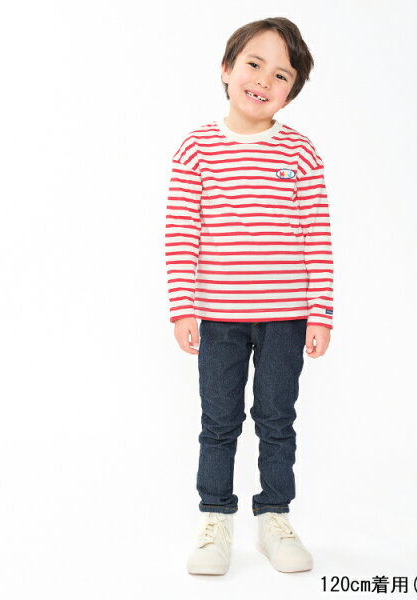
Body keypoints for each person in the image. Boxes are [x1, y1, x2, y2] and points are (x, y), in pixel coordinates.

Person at [165, 16, 334, 575]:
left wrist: (321, 313)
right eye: (254, 64)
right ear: (226, 69)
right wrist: (183, 307)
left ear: (292, 89)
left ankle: (274, 518)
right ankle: (215, 520)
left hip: (287, 317)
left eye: (281, 74)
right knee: (219, 422)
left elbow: (317, 235)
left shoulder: (301, 153)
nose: (264, 80)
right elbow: (181, 232)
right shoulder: (197, 149)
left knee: (277, 420)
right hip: (218, 317)